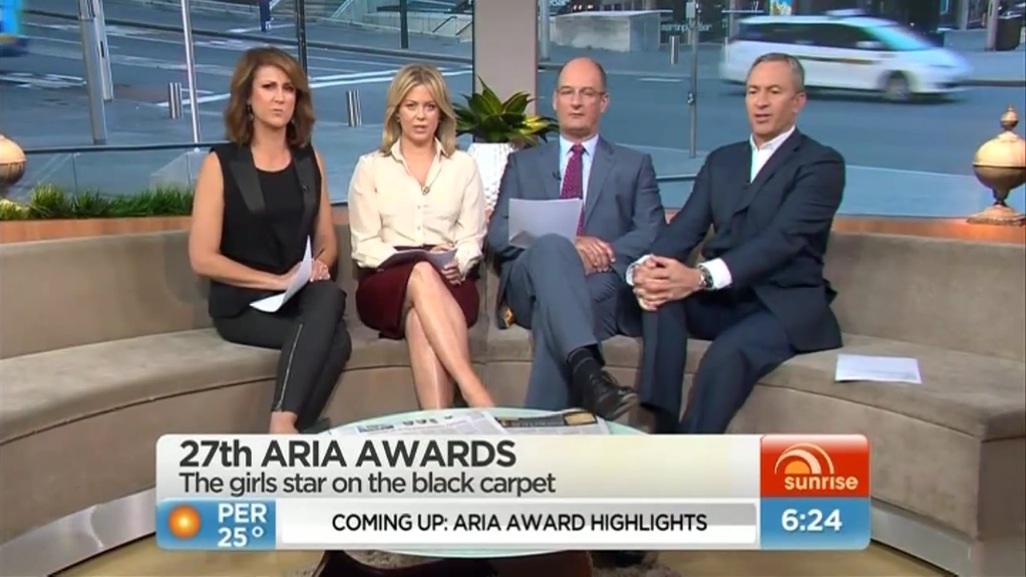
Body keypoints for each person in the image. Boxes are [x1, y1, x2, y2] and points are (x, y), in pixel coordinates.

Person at [631, 53, 846, 435]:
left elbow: (781, 241)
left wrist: (699, 277)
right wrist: (649, 268)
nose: (760, 102)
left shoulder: (821, 165)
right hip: (724, 301)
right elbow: (684, 228)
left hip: (782, 305)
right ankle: (659, 425)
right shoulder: (722, 162)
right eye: (753, 91)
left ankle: (690, 450)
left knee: (727, 354)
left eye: (774, 92)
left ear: (798, 101)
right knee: (660, 299)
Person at [486, 57, 666, 420]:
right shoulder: (524, 164)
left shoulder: (634, 165)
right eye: (568, 92)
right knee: (555, 246)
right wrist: (571, 243)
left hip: (599, 285)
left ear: (604, 101)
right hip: (528, 285)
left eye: (587, 93)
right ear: (555, 100)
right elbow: (498, 234)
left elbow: (653, 231)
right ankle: (590, 382)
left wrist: (601, 253)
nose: (576, 102)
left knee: (555, 312)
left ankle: (577, 389)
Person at [188, 47, 351, 435]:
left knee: (329, 295)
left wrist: (319, 264)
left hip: (296, 297)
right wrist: (276, 281)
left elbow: (326, 240)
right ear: (248, 97)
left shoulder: (309, 160)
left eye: (288, 89)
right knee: (336, 340)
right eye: (269, 87)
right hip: (244, 305)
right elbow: (202, 258)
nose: (280, 97)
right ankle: (293, 428)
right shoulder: (221, 164)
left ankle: (283, 427)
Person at [348, 63, 494, 409]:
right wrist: (416, 259)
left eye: (429, 106)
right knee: (422, 271)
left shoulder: (463, 166)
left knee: (419, 321)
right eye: (411, 106)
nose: (420, 116)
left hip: (450, 280)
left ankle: (442, 428)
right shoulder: (371, 167)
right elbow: (364, 245)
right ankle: (473, 389)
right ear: (396, 111)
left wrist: (457, 261)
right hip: (385, 282)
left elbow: (471, 237)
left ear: (441, 113)